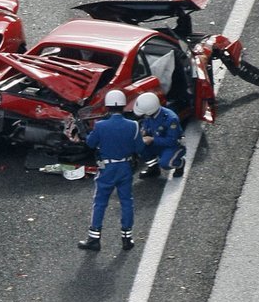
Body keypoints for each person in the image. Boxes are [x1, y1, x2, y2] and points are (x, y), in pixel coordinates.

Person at [78, 89, 145, 253]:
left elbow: (91, 144)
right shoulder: (133, 125)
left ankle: (94, 238)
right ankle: (127, 238)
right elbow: (140, 148)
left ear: (108, 106)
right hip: (125, 168)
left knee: (100, 202)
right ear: (123, 106)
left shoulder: (101, 126)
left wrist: (84, 133)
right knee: (126, 202)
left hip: (107, 168)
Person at [133, 92, 186, 179]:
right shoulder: (149, 115)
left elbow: (172, 140)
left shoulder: (171, 119)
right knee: (139, 146)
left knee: (165, 163)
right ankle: (153, 168)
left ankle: (180, 164)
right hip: (156, 142)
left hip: (173, 146)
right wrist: (143, 132)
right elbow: (146, 126)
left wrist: (152, 139)